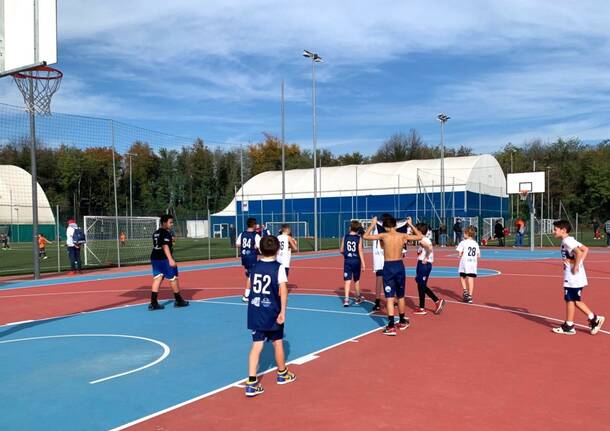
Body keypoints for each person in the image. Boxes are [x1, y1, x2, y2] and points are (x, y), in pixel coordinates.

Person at [245, 235, 296, 397]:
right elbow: (283, 291)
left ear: (259, 249)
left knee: (257, 345)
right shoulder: (278, 267)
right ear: (278, 250)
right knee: (278, 343)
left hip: (255, 310)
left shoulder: (255, 266)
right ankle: (282, 373)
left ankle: (252, 382)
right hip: (271, 311)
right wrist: (282, 312)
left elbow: (253, 286)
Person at [364, 216, 423, 336]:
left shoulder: (384, 236)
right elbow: (420, 236)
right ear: (395, 225)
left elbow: (365, 236)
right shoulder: (402, 236)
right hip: (399, 266)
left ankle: (391, 325)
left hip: (389, 267)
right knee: (400, 296)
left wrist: (373, 224)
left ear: (385, 227)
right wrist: (411, 225)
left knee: (390, 297)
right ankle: (401, 320)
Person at [551, 220, 605, 335]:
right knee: (571, 299)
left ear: (563, 230)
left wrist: (576, 266)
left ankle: (591, 319)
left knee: (572, 299)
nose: (553, 231)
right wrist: (578, 263)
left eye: (555, 229)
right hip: (573, 276)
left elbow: (579, 253)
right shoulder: (570, 239)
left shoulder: (566, 241)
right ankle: (572, 324)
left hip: (572, 277)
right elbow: (585, 249)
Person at [148, 214, 189, 310]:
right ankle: (178, 300)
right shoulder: (166, 233)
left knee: (157, 278)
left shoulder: (156, 233)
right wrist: (170, 259)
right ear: (163, 223)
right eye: (170, 222)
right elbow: (165, 246)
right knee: (173, 278)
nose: (172, 224)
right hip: (164, 259)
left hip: (155, 258)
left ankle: (153, 303)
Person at [413, 223, 445, 315]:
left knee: (421, 285)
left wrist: (426, 257)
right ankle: (422, 307)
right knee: (420, 285)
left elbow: (430, 248)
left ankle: (437, 300)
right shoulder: (422, 239)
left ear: (419, 231)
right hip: (423, 264)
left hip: (424, 264)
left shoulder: (423, 240)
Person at [340, 220, 366, 307]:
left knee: (347, 281)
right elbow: (360, 251)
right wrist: (363, 264)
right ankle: (358, 298)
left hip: (347, 261)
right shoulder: (359, 238)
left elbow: (341, 250)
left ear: (350, 227)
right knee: (356, 280)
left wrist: (347, 254)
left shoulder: (345, 236)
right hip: (356, 261)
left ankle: (346, 300)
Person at [237, 218, 261, 302]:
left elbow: (237, 244)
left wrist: (245, 246)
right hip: (251, 257)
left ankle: (250, 293)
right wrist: (254, 247)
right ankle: (246, 295)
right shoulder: (256, 235)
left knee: (249, 275)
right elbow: (259, 246)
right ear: (254, 225)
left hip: (244, 257)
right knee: (252, 276)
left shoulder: (242, 233)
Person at [457, 226, 481, 303]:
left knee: (462, 276)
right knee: (471, 279)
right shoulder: (475, 243)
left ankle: (465, 291)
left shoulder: (463, 242)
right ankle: (470, 296)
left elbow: (460, 254)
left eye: (464, 233)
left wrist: (460, 254)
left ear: (467, 234)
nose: (463, 234)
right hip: (473, 263)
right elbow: (478, 255)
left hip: (464, 263)